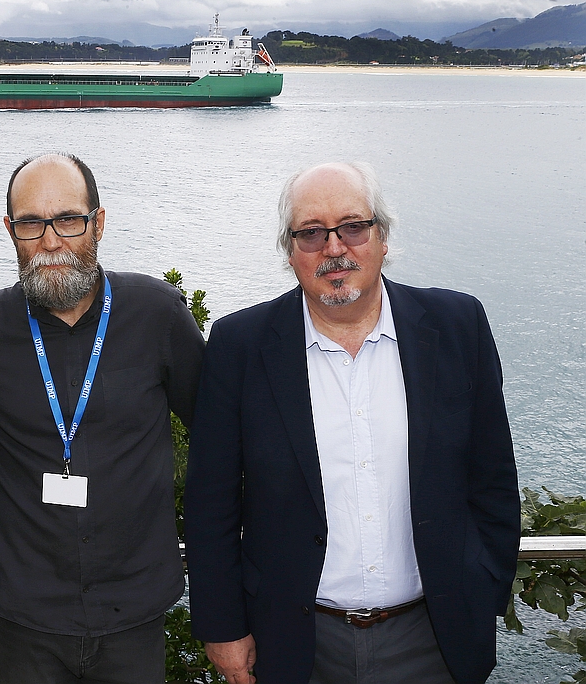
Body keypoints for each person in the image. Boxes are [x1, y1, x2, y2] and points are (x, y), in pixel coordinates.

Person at [185, 162, 520, 684]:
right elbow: (211, 505)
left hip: (434, 638)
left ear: (382, 236)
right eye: (311, 233)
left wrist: (484, 588)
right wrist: (223, 628)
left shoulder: (458, 328)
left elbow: (494, 478)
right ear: (290, 251)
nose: (334, 248)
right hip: (295, 645)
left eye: (353, 227)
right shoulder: (240, 346)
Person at [0, 152, 205, 683]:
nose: (50, 242)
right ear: (10, 231)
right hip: (23, 619)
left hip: (135, 614)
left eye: (68, 220)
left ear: (98, 222)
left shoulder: (158, 314)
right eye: (30, 223)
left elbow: (216, 433)